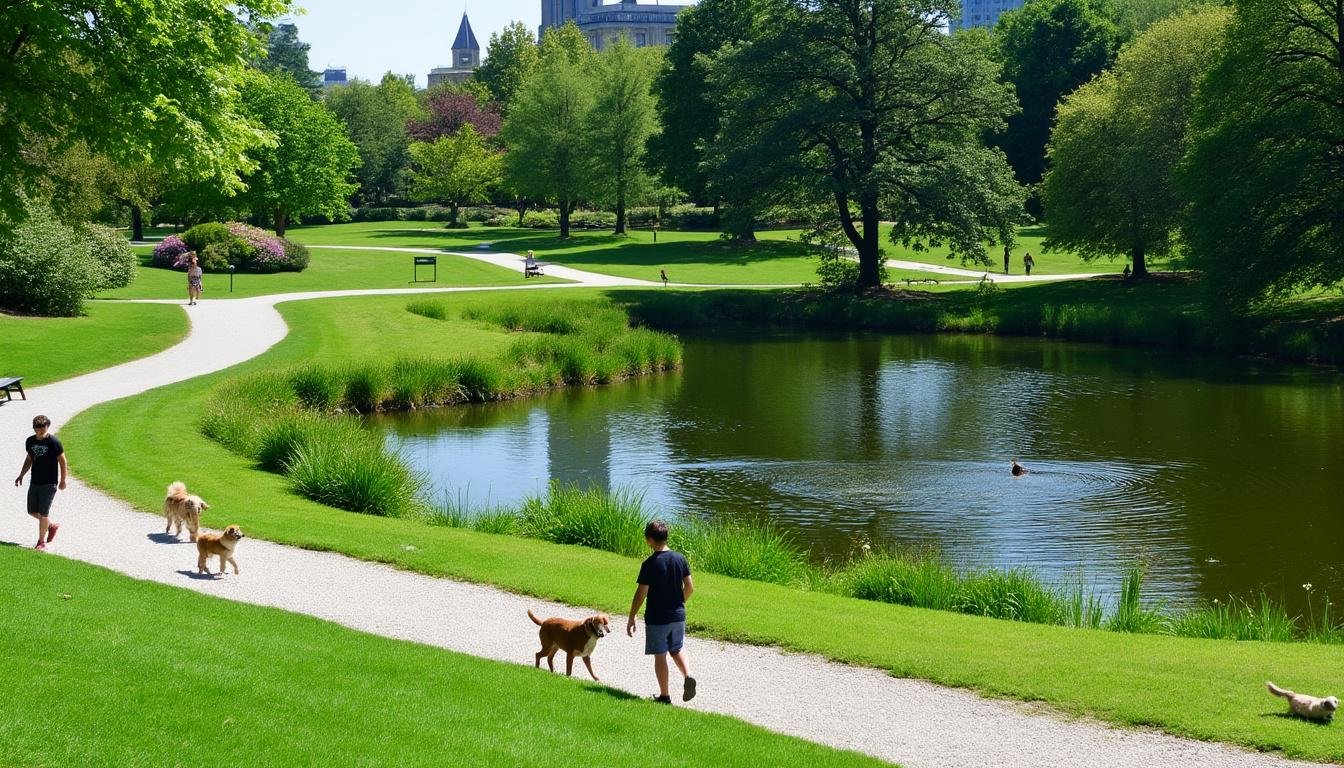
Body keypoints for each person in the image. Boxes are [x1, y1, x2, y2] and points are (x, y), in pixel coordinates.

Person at [627, 520, 696, 704]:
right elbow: (690, 587)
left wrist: (632, 616)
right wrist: (679, 602)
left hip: (657, 617)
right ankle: (688, 675)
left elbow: (641, 593)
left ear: (649, 540)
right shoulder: (680, 559)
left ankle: (665, 695)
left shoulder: (649, 564)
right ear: (666, 537)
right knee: (677, 648)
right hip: (678, 615)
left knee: (660, 655)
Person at [14, 414, 67, 550]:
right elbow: (30, 458)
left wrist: (63, 480)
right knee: (31, 511)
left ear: (47, 426)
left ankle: (41, 542)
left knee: (44, 513)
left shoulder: (54, 442)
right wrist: (21, 474)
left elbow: (62, 461)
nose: (42, 430)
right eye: (39, 427)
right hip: (35, 481)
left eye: (44, 427)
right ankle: (51, 526)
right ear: (34, 428)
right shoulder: (30, 441)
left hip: (49, 483)